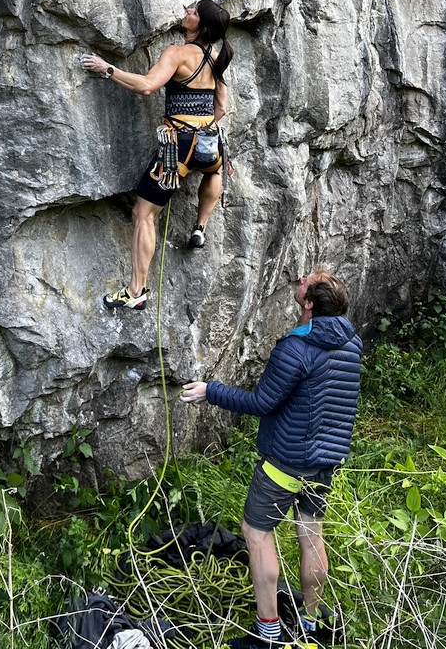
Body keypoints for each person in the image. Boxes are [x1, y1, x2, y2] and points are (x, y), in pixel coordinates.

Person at [181, 271, 362, 649]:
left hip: (286, 462)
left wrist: (209, 391)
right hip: (324, 462)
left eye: (306, 281)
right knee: (311, 535)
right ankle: (312, 624)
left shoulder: (295, 349)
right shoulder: (351, 342)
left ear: (309, 302)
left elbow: (262, 402)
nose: (299, 278)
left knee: (257, 535)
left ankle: (269, 635)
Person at [82, 0, 233, 311]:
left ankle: (136, 290)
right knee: (214, 172)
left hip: (178, 143)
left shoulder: (177, 53)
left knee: (144, 214)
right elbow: (221, 108)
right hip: (209, 141)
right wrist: (203, 131)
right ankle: (200, 225)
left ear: (200, 24)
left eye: (192, 11)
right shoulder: (216, 59)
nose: (186, 11)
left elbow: (148, 86)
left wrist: (108, 69)